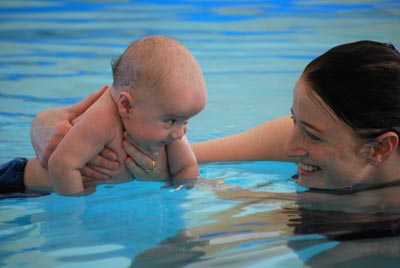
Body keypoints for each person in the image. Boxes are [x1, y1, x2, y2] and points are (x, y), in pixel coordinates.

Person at [2, 40, 400, 193]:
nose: (290, 144)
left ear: (381, 148)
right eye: (293, 120)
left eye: (312, 134)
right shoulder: (328, 141)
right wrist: (47, 127)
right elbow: (188, 161)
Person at [0, 35, 208, 196]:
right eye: (172, 120)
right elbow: (61, 165)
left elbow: (187, 168)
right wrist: (74, 216)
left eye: (186, 121)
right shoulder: (103, 119)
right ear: (126, 105)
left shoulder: (166, 126)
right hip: (19, 185)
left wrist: (180, 197)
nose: (180, 133)